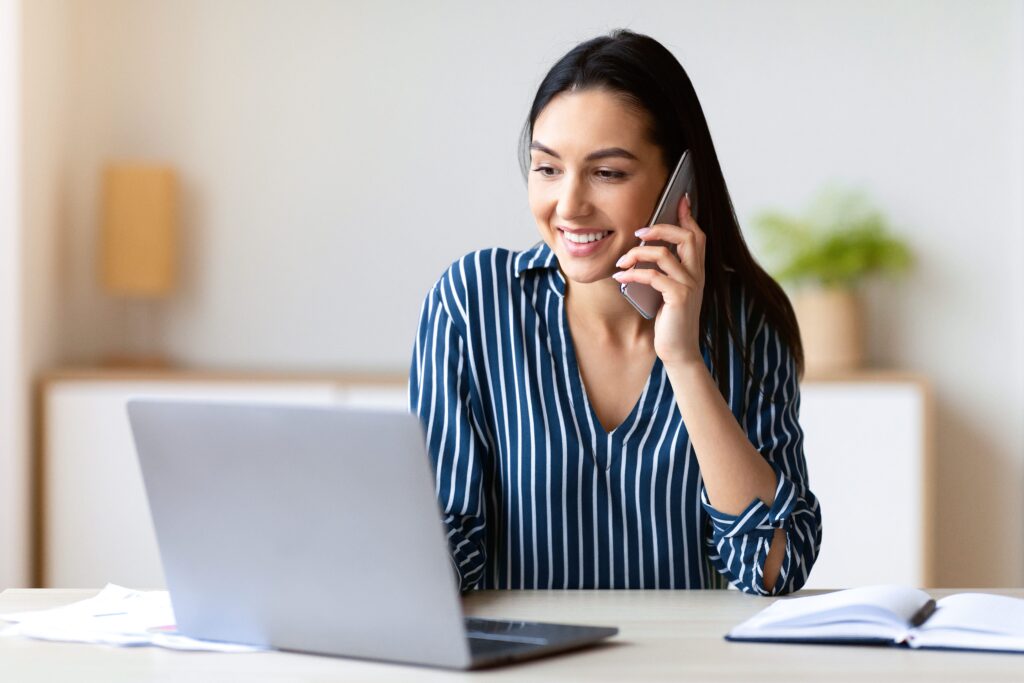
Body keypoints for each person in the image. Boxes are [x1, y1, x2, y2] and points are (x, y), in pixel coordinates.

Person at [409, 29, 821, 595]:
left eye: (607, 173)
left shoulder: (745, 324)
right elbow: (444, 557)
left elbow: (771, 569)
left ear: (682, 184)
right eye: (548, 169)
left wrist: (683, 359)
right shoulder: (473, 304)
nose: (570, 205)